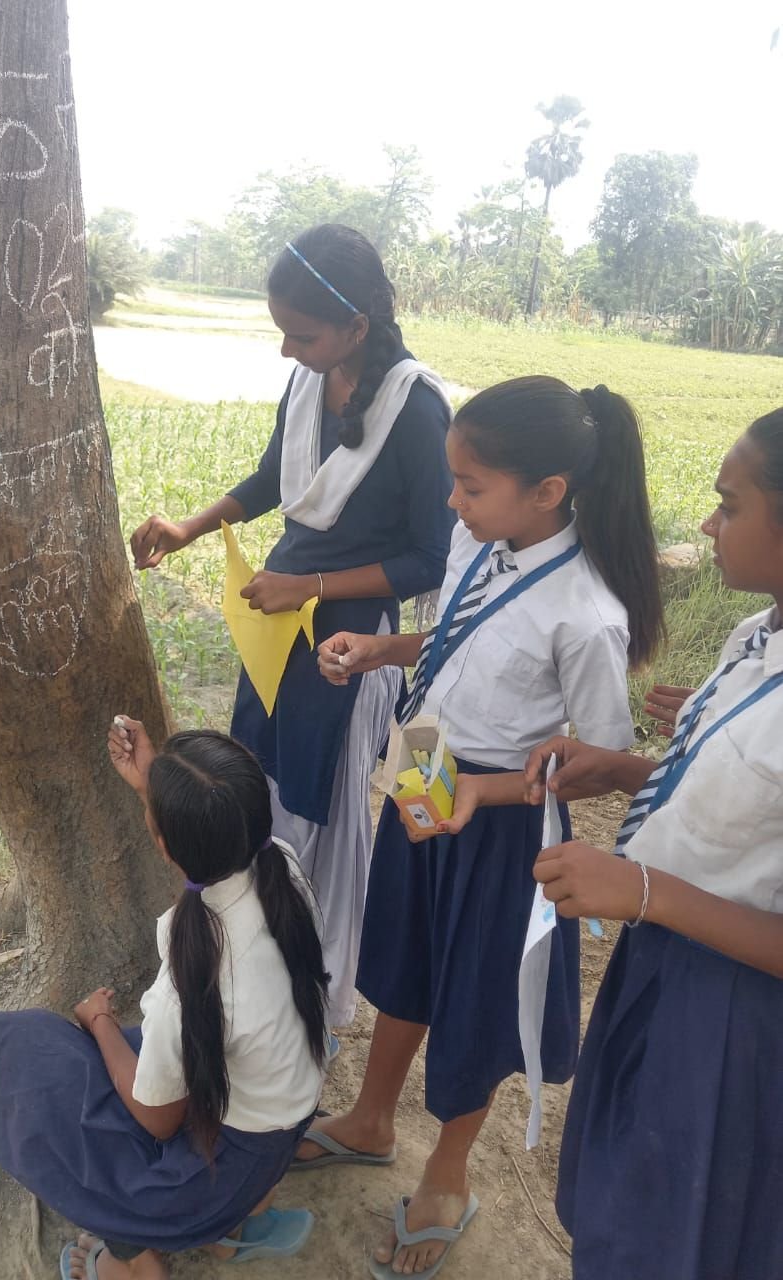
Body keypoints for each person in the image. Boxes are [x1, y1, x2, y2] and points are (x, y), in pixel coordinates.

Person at [298, 375, 665, 1280]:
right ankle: (371, 1120)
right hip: (427, 773)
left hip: (501, 829)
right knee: (406, 960)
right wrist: (383, 650)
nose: (451, 503)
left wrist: (487, 795)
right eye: (453, 481)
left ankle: (447, 1173)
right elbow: (455, 636)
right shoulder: (478, 541)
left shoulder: (585, 614)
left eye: (469, 486)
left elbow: (595, 760)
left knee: (476, 999)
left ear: (547, 492)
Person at [130, 224, 454, 1027]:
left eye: (301, 336)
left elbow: (427, 558)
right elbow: (277, 475)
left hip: (349, 646)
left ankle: (318, 993)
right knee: (260, 792)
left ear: (356, 326)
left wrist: (308, 584)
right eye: (281, 333)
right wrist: (189, 527)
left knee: (324, 818)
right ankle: (256, 967)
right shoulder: (311, 381)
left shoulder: (416, 409)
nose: (286, 351)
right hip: (279, 628)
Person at [522, 406, 783, 1280]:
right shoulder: (756, 637)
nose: (707, 525)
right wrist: (625, 771)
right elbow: (744, 806)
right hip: (666, 960)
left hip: (738, 1013)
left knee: (672, 1232)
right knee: (622, 1199)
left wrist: (642, 891)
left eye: (729, 506)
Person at [0, 722, 330, 1280]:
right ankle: (233, 1229)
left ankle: (137, 1263)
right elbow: (209, 855)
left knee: (39, 1063)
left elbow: (158, 1120)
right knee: (125, 1061)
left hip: (227, 1170)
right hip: (283, 1128)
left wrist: (99, 1021)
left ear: (165, 845)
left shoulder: (192, 978)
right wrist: (155, 789)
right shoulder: (281, 865)